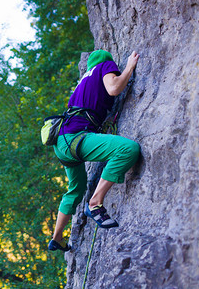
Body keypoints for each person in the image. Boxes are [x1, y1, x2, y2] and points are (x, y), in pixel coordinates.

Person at [48, 50, 141, 252]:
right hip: (77, 138)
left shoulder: (81, 83)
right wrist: (128, 67)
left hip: (62, 144)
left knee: (75, 189)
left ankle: (57, 237)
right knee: (128, 149)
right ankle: (95, 203)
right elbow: (114, 88)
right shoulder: (104, 66)